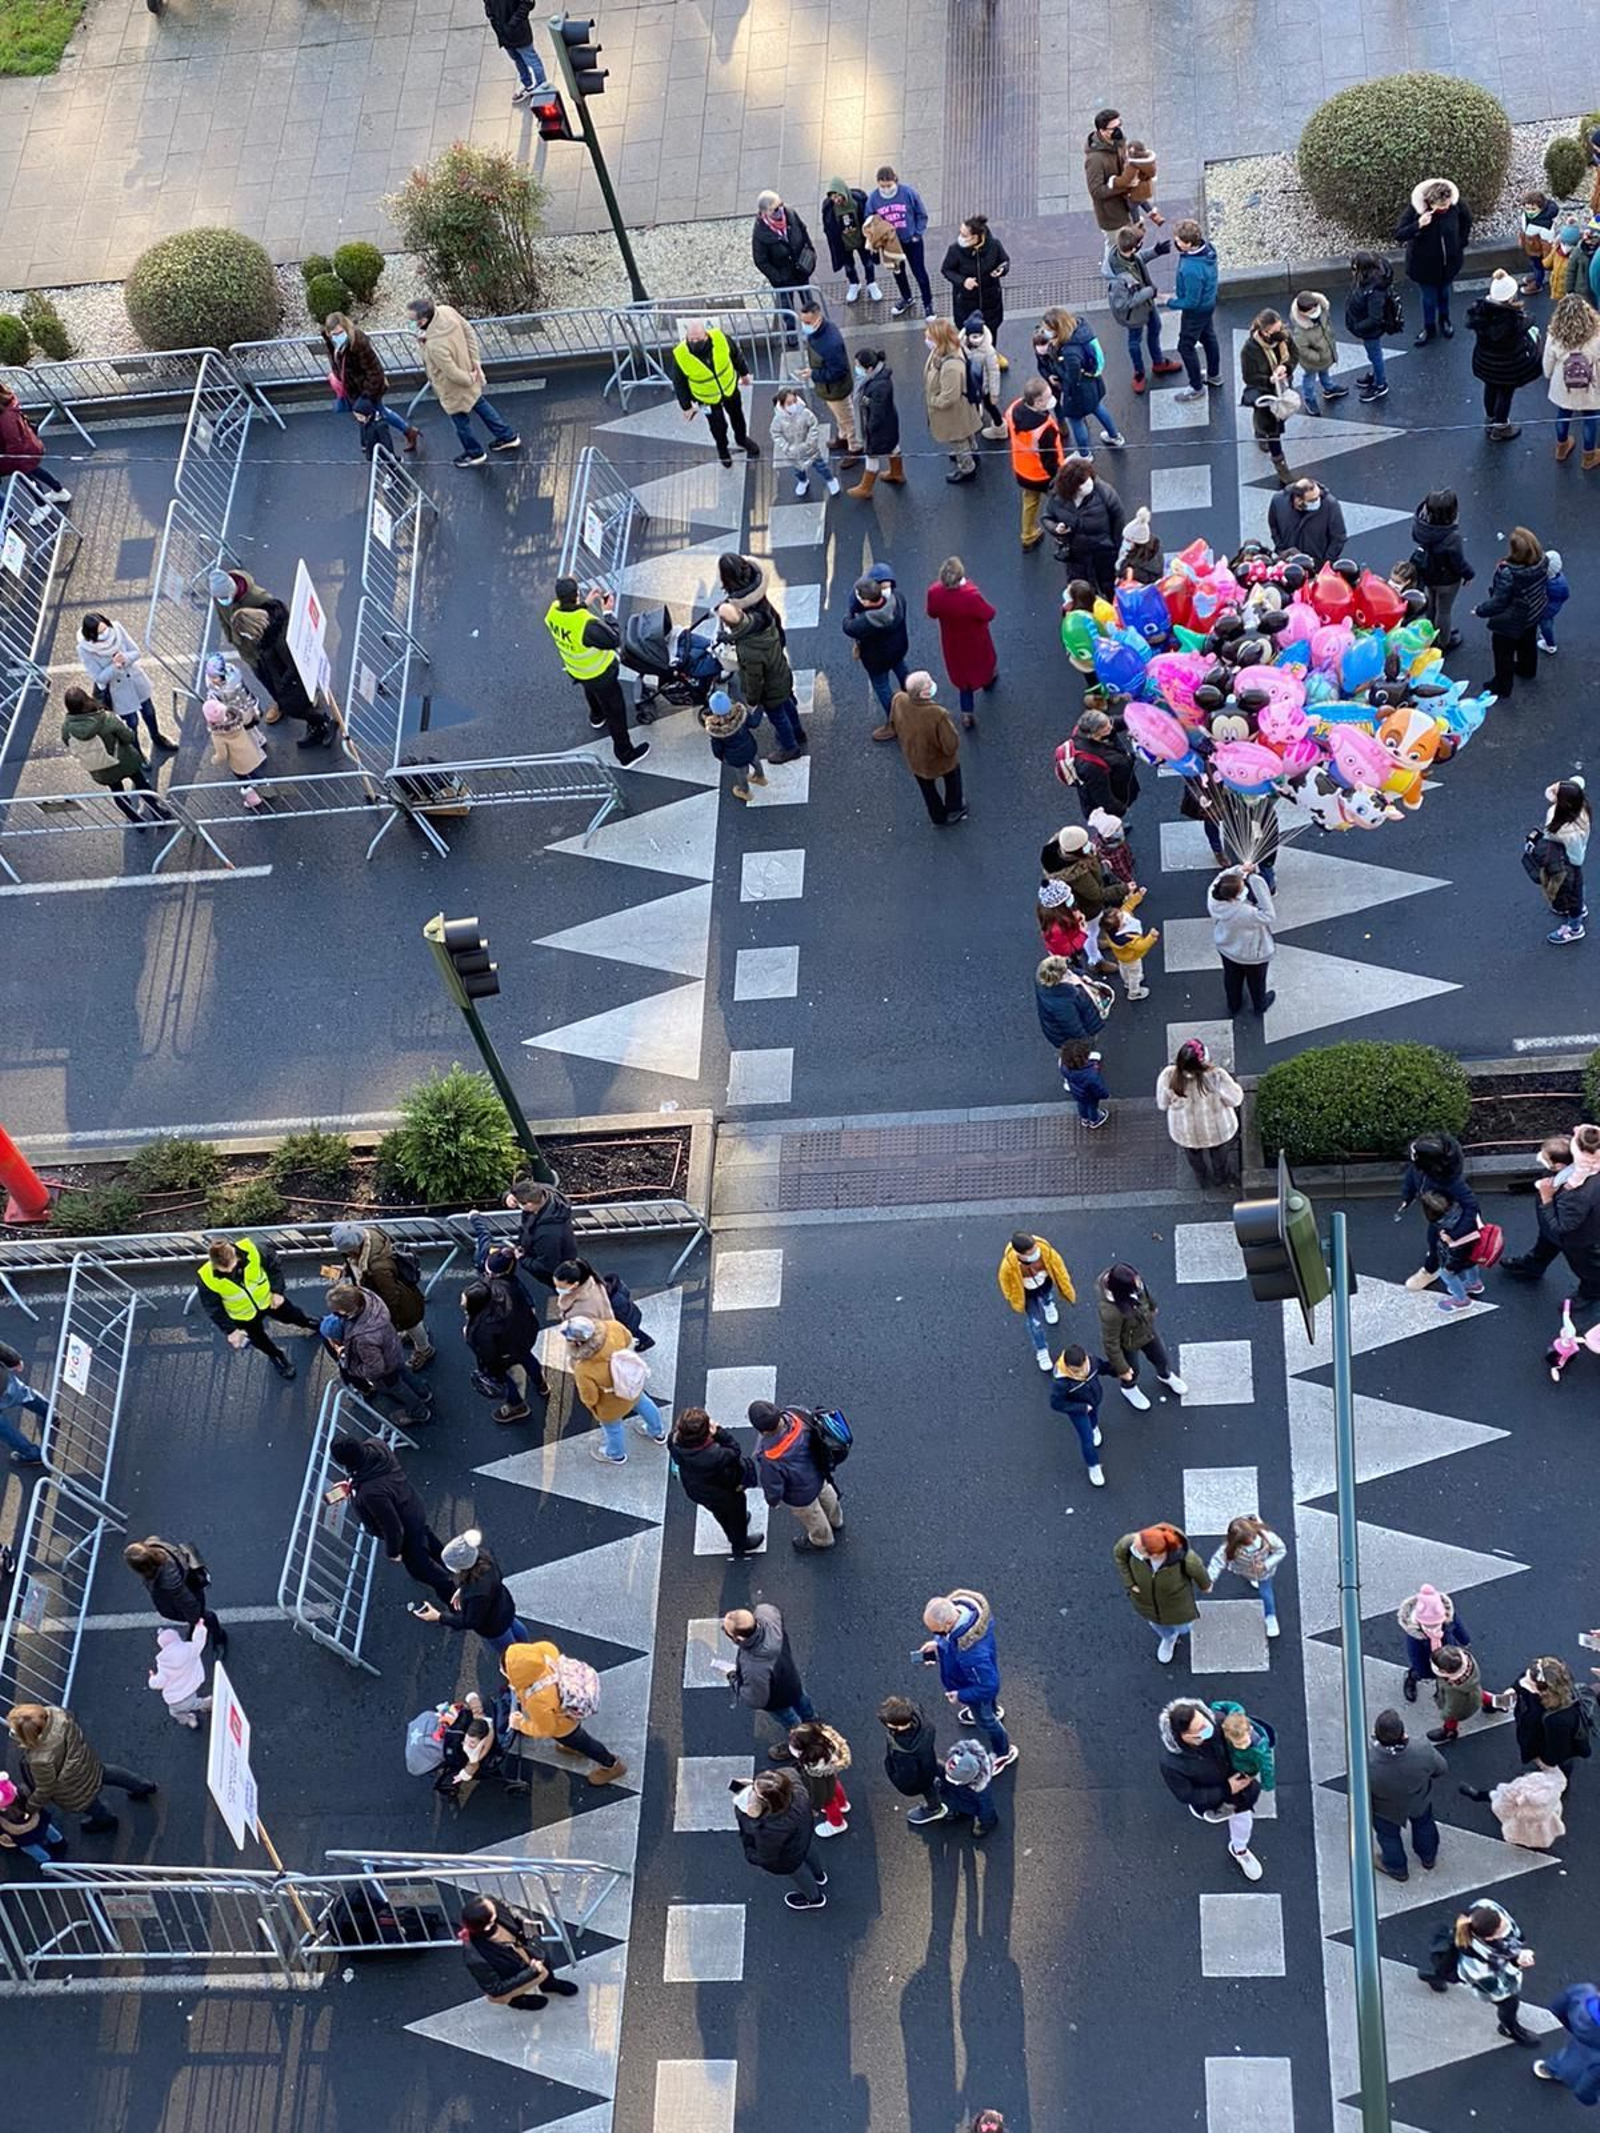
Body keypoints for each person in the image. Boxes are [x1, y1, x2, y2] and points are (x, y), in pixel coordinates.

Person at [209, 569, 337, 746]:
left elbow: (290, 665)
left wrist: (283, 687)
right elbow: (224, 619)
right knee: (276, 691)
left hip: (281, 674)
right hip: (261, 659)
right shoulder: (261, 637)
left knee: (295, 706)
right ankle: (302, 715)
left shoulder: (259, 606)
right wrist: (233, 637)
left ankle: (321, 721)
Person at [328, 1433, 453, 1600]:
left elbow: (392, 1526)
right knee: (429, 1540)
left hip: (407, 1532)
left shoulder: (370, 1494)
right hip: (412, 1506)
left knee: (422, 1570)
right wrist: (354, 1483)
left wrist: (393, 1551)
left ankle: (455, 1597)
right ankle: (454, 1565)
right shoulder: (376, 1445)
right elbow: (374, 1476)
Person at [5, 1703, 157, 1836]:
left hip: (71, 1787)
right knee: (108, 1773)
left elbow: (46, 1788)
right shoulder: (57, 1715)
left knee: (88, 1802)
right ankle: (142, 1785)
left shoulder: (39, 1759)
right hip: (86, 1761)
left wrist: (31, 1807)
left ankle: (105, 1820)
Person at [1158, 1697, 1264, 1879]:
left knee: (1243, 1820)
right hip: (1212, 1800)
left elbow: (1251, 1737)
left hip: (1240, 1790)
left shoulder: (1219, 1722)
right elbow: (1187, 1795)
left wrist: (1250, 1744)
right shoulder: (1172, 1764)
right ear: (1185, 1737)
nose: (1209, 1727)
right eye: (1201, 1729)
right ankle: (1229, 1828)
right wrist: (1227, 1789)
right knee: (1234, 1815)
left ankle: (1239, 1850)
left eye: (1206, 1721)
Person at [406, 296, 519, 467]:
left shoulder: (434, 345)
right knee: (481, 405)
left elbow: (450, 372)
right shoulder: (447, 311)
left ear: (423, 321)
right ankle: (507, 436)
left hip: (453, 389)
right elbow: (468, 332)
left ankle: (475, 453)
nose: (410, 324)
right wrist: (475, 365)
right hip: (468, 371)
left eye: (412, 320)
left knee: (461, 423)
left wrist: (467, 379)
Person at [1461, 1657, 1593, 1797]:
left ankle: (1561, 1785)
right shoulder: (1540, 1679)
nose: (1523, 1682)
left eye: (1528, 1682)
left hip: (1547, 1746)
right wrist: (1511, 1691)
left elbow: (1557, 1750)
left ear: (1543, 1690)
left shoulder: (1559, 1719)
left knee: (1562, 1765)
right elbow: (1521, 1681)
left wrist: (1544, 1762)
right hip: (1536, 1734)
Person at [502, 1638, 626, 1783]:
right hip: (570, 1708)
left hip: (564, 1727)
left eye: (508, 1673)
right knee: (579, 1740)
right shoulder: (545, 1654)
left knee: (586, 1744)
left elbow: (547, 1729)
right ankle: (574, 1748)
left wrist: (521, 1724)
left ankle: (612, 1765)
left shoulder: (537, 1700)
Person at [918, 1589, 1018, 1769]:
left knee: (985, 1721)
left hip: (972, 1687)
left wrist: (960, 1695)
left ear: (949, 1622)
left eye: (938, 1632)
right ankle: (992, 1710)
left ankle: (1003, 1752)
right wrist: (938, 1645)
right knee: (987, 1706)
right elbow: (950, 1641)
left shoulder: (972, 1655)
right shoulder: (966, 1621)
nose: (937, 1635)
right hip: (974, 1678)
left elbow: (988, 1687)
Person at [194, 1234, 316, 1380]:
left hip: (269, 1300)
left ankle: (307, 1322)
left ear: (235, 1253)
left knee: (293, 1315)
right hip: (243, 1316)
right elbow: (213, 1308)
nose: (229, 1271)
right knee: (260, 1340)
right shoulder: (206, 1277)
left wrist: (277, 1291)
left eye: (231, 1266)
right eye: (223, 1270)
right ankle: (276, 1356)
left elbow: (273, 1267)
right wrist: (231, 1330)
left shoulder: (254, 1250)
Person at [1421, 1901, 1541, 2045]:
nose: (1507, 1926)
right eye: (1502, 1931)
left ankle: (1435, 1975)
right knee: (1508, 2004)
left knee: (1446, 1970)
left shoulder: (1486, 1910)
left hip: (1466, 1961)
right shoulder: (1478, 1968)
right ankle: (1510, 2029)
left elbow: (1507, 1942)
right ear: (1489, 1938)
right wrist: (1516, 1964)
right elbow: (1500, 1990)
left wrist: (1515, 1954)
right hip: (1472, 1972)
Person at [560, 1315, 665, 1465]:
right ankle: (657, 1432)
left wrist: (593, 1408)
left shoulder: (583, 1368)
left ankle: (616, 1455)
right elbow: (629, 1339)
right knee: (645, 1404)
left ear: (577, 1342)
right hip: (631, 1385)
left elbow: (590, 1397)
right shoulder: (613, 1326)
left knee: (613, 1429)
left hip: (610, 1403)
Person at [322, 1283, 433, 1422]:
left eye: (337, 1312)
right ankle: (424, 1393)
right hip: (393, 1347)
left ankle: (418, 1412)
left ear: (346, 1311)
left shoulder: (363, 1338)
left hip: (386, 1369)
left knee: (397, 1388)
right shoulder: (369, 1298)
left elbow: (375, 1369)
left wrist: (353, 1367)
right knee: (404, 1372)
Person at [716, 591, 807, 761]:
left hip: (770, 689)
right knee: (788, 705)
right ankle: (798, 732)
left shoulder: (747, 650)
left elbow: (755, 680)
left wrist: (752, 700)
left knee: (778, 718)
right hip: (781, 674)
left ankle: (790, 748)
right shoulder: (762, 622)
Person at [328, 1222, 432, 1368]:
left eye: (347, 1251)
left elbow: (391, 1296)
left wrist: (386, 1316)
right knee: (412, 1324)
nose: (346, 1255)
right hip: (404, 1294)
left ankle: (424, 1349)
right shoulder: (369, 1235)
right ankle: (418, 1339)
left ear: (354, 1248)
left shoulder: (377, 1268)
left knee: (411, 1323)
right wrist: (346, 1269)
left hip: (401, 1304)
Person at [410, 1530, 532, 1654]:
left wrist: (439, 1617)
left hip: (495, 1625)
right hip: (505, 1606)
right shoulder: (485, 1557)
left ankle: (521, 1661)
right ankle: (529, 1649)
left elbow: (470, 1621)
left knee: (511, 1652)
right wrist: (463, 1589)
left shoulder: (477, 1594)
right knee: (516, 1627)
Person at [58, 688, 166, 823]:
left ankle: (136, 820)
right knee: (142, 785)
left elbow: (69, 744)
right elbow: (129, 737)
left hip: (101, 768)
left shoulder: (67, 729)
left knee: (117, 793)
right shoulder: (107, 718)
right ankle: (158, 814)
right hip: (125, 761)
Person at [456, 1891, 583, 2008]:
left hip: (526, 1947)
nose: (496, 1906)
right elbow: (496, 1989)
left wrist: (523, 1920)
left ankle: (548, 1984)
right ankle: (520, 2001)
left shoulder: (489, 1903)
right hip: (510, 1971)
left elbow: (507, 1907)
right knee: (515, 1991)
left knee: (544, 1960)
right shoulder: (475, 1957)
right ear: (488, 1925)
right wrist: (531, 1972)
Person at [748, 1398, 843, 1552]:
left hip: (799, 1493)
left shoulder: (770, 1456)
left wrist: (773, 1500)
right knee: (828, 1496)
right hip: (818, 1473)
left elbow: (773, 1484)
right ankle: (836, 1520)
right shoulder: (798, 1417)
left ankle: (822, 1540)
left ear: (762, 1430)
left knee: (813, 1515)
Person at [76, 612, 178, 753]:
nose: (105, 634)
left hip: (135, 680)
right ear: (91, 634)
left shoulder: (116, 628)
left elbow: (136, 652)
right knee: (131, 723)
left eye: (105, 629)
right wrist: (114, 667)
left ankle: (157, 738)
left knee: (149, 711)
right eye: (100, 632)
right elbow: (98, 677)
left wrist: (124, 658)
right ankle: (136, 752)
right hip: (118, 690)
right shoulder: (85, 649)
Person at [461, 1265, 548, 1425]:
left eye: (464, 1302)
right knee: (528, 1359)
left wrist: (468, 1337)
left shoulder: (482, 1328)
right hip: (522, 1340)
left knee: (505, 1379)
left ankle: (517, 1406)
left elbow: (487, 1353)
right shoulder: (506, 1291)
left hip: (503, 1354)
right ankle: (541, 1384)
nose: (462, 1304)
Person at [720, 1603, 818, 1742]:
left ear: (739, 1639)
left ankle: (803, 1740)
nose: (724, 1630)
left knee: (790, 1720)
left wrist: (733, 1679)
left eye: (727, 1631)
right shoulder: (767, 1614)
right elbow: (772, 1610)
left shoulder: (754, 1667)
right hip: (791, 1679)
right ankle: (814, 1722)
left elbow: (756, 1699)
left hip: (777, 1699)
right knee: (802, 1700)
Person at [670, 316, 761, 466]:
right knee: (718, 426)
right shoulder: (681, 354)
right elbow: (679, 383)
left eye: (697, 339)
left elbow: (736, 356)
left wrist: (744, 373)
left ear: (705, 335)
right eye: (691, 339)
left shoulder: (720, 338)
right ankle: (723, 450)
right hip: (706, 398)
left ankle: (741, 439)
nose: (694, 342)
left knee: (737, 416)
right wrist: (686, 406)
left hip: (729, 389)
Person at [734, 1766, 828, 1910]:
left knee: (798, 1872)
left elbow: (766, 1856)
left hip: (787, 1856)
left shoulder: (767, 1827)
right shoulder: (797, 1790)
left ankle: (814, 1898)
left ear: (766, 1802)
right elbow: (788, 1773)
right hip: (803, 1835)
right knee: (809, 1851)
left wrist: (751, 1855)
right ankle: (819, 1875)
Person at [1369, 1704, 1446, 1881]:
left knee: (1389, 1837)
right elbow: (1442, 1768)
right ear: (1402, 1733)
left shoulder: (1368, 1762)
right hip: (1418, 1800)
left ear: (1376, 1734)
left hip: (1385, 1809)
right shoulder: (1422, 1749)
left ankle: (1397, 1869)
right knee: (1424, 1825)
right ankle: (1428, 1858)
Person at [322, 311, 418, 453]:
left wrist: (367, 395)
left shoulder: (358, 344)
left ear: (346, 328)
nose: (337, 337)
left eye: (340, 333)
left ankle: (392, 438)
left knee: (376, 412)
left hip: (367, 388)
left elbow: (374, 371)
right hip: (355, 388)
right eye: (334, 334)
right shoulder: (334, 344)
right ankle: (396, 435)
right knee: (371, 413)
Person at [670, 1404, 757, 1559]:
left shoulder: (674, 1440)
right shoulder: (714, 1455)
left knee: (719, 1513)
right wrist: (719, 1432)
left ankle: (734, 1531)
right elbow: (734, 1450)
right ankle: (740, 1544)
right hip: (723, 1491)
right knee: (735, 1513)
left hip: (697, 1488)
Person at [1036, 310, 1127, 459]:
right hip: (1093, 383)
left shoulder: (1069, 352)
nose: (1044, 332)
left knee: (1076, 420)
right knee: (1097, 408)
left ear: (1058, 328)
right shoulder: (1080, 329)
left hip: (1078, 391)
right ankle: (1115, 436)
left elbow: (1072, 378)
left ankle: (1085, 454)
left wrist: (1057, 369)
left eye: (1047, 329)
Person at [1115, 1523, 1211, 1663]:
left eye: (1139, 1551)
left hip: (1176, 1605)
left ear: (1155, 1555)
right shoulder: (1131, 1543)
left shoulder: (1185, 1559)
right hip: (1146, 1603)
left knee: (1184, 1628)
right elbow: (1119, 1556)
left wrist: (1205, 1585)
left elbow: (1199, 1573)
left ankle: (1175, 1633)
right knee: (1157, 1625)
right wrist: (1130, 1583)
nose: (1134, 1549)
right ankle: (1169, 1639)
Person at [1467, 269, 1544, 441]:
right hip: (1508, 366)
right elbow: (1529, 321)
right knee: (1505, 394)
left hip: (1485, 362)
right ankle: (1501, 427)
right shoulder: (1514, 321)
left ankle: (1490, 418)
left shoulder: (1481, 314)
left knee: (1490, 387)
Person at [1096, 1262, 1187, 1407]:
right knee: (1133, 1371)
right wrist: (1123, 1369)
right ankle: (1129, 1388)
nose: (1139, 1283)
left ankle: (1165, 1375)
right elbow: (1110, 1342)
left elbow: (1146, 1293)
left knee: (1161, 1358)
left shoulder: (1131, 1280)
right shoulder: (1111, 1312)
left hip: (1146, 1330)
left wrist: (1152, 1306)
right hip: (1128, 1343)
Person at [123, 1534, 228, 1659]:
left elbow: (186, 1600)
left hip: (190, 1592)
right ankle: (200, 1626)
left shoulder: (169, 1579)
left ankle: (219, 1637)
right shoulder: (153, 1546)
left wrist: (194, 1618)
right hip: (189, 1586)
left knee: (203, 1615)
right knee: (196, 1615)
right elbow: (155, 1538)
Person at [1156, 1038, 1243, 1186]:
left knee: (1194, 1156)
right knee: (1219, 1156)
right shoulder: (1216, 1076)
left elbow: (1162, 1104)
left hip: (1186, 1132)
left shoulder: (1168, 1076)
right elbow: (1236, 1100)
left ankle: (1201, 1178)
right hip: (1217, 1130)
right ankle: (1221, 1178)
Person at [1395, 177, 1472, 344]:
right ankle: (1429, 327)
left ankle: (1444, 320)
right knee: (1429, 299)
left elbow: (1467, 220)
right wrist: (1418, 225)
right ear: (1430, 202)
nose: (1445, 209)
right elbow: (1399, 234)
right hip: (1424, 267)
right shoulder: (1415, 211)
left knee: (1444, 294)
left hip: (1448, 264)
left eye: (1447, 205)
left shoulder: (1456, 205)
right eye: (1441, 206)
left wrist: (1460, 243)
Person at [1474, 525, 1548, 700]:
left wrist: (1480, 610)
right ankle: (1527, 669)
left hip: (1510, 621)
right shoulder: (1543, 561)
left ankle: (1502, 686)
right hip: (1533, 611)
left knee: (1503, 654)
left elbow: (1499, 602)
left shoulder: (1508, 573)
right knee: (1528, 643)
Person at [926, 557, 998, 731]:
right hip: (975, 640)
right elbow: (989, 614)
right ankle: (988, 682)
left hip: (952, 642)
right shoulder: (970, 596)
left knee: (963, 677)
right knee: (984, 664)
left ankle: (967, 714)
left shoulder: (934, 592)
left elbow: (932, 613)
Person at [1103, 223, 1177, 392]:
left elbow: (1138, 259)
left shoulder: (1123, 254)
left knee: (1155, 328)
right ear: (1134, 247)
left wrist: (1155, 252)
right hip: (1133, 314)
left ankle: (1158, 362)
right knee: (1134, 341)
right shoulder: (1118, 281)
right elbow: (1123, 304)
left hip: (1147, 305)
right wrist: (1149, 292)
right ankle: (1139, 372)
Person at [887, 671, 965, 826]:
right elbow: (950, 744)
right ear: (924, 693)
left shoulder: (899, 699)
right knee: (952, 777)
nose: (932, 683)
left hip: (915, 758)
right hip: (938, 759)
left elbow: (893, 722)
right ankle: (954, 807)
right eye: (929, 683)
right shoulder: (937, 714)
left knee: (927, 788)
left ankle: (937, 816)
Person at [1043, 455, 1126, 599]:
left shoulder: (1104, 493)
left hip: (1104, 552)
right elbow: (1047, 517)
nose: (1089, 484)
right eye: (1082, 483)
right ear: (1071, 486)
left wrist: (1115, 545)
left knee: (1109, 585)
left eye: (1088, 479)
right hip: (1076, 555)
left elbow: (1118, 520)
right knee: (1081, 590)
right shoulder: (1057, 497)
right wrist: (1056, 528)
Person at [1162, 216, 1222, 404]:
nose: (1176, 243)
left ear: (1188, 244)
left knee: (1185, 346)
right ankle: (1214, 375)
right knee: (1208, 338)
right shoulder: (1208, 249)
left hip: (1196, 312)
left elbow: (1191, 302)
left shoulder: (1191, 269)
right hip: (1208, 303)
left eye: (1178, 241)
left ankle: (1196, 386)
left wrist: (1170, 301)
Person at [997, 1230, 1076, 1370]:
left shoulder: (1045, 1251)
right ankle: (1042, 1350)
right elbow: (1004, 1282)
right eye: (1031, 1253)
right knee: (1035, 1323)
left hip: (1044, 1283)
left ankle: (1048, 1305)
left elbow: (1059, 1267)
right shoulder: (1008, 1266)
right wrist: (1011, 1296)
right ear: (1019, 1254)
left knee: (1047, 1296)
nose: (1036, 1253)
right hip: (1026, 1293)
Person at [844, 568, 911, 727]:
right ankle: (914, 698)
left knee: (882, 686)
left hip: (877, 660)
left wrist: (849, 614)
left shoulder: (862, 623)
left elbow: (846, 625)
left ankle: (895, 721)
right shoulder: (898, 599)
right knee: (902, 671)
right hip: (898, 648)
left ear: (866, 602)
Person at [866, 164, 934, 317]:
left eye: (888, 185)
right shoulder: (873, 199)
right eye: (882, 186)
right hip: (891, 244)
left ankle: (928, 303)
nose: (886, 189)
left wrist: (917, 234)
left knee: (920, 273)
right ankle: (906, 298)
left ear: (895, 180)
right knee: (898, 272)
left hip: (911, 241)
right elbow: (869, 219)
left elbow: (921, 214)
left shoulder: (908, 193)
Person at [1528, 777, 1590, 947]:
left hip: (1567, 860)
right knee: (1573, 889)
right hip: (1566, 856)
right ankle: (1576, 909)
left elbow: (1576, 856)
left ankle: (1575, 927)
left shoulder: (1569, 831)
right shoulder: (1578, 806)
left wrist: (1570, 864)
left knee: (1572, 890)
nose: (1552, 793)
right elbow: (1578, 781)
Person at [1208, 864, 1276, 1016]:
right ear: (1234, 897)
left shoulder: (1214, 899)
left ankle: (1234, 1005)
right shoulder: (1247, 913)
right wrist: (1255, 880)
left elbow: (1220, 877)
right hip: (1252, 955)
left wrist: (1239, 870)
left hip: (1227, 948)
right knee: (1257, 982)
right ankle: (1260, 1005)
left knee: (1231, 978)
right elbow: (1269, 915)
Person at [1409, 490, 1473, 651]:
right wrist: (1469, 574)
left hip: (1428, 574)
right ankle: (1444, 642)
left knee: (1432, 604)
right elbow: (1458, 562)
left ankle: (1430, 633)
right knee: (1444, 610)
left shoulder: (1420, 528)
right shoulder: (1452, 537)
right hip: (1447, 580)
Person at [1004, 376, 1063, 551]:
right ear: (1037, 403)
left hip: (1022, 470)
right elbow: (1050, 461)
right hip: (1043, 476)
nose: (1051, 399)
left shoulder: (1013, 409)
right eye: (1047, 397)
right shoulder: (1045, 428)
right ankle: (1062, 536)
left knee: (1030, 502)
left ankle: (1028, 535)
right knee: (1061, 505)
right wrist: (1059, 477)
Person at [0, 380, 72, 520]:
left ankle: (42, 506)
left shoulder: (4, 418)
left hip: (17, 455)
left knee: (27, 478)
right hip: (27, 447)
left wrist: (7, 460)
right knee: (34, 470)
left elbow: (13, 443)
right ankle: (58, 491)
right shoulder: (8, 403)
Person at [1239, 309, 1297, 486]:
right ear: (1264, 332)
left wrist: (1286, 367)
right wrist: (1269, 379)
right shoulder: (1249, 350)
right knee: (1273, 429)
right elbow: (1249, 377)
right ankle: (1281, 468)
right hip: (1265, 391)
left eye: (1281, 327)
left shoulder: (1284, 337)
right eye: (1275, 330)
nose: (1280, 332)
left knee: (1274, 419)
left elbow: (1294, 355)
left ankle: (1260, 431)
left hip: (1282, 386)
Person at [1542, 292, 1600, 466]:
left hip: (1564, 385)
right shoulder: (1597, 334)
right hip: (1590, 386)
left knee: (1563, 413)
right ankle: (1589, 456)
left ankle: (1562, 447)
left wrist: (1548, 375)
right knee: (1591, 417)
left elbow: (1547, 363)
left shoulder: (1554, 335)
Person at [795, 298, 857, 456]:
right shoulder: (820, 332)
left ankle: (854, 447)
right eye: (802, 321)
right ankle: (843, 437)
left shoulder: (830, 343)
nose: (804, 325)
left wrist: (813, 374)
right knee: (841, 416)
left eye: (807, 322)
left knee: (847, 419)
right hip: (829, 388)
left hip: (836, 389)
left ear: (818, 318)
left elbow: (837, 371)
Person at [1207, 1516, 1286, 1638]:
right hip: (1244, 1571)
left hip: (1264, 1573)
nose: (1254, 1543)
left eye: (1254, 1537)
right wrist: (1210, 1579)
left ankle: (1270, 1615)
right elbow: (1217, 1561)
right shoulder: (1230, 1548)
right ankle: (1252, 1579)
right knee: (1253, 1579)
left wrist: (1266, 1565)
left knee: (1266, 1593)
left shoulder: (1267, 1537)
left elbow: (1281, 1550)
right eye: (1248, 1543)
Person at [923, 316, 981, 484]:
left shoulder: (951, 366)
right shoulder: (946, 350)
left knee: (958, 438)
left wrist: (933, 401)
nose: (927, 341)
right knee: (965, 431)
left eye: (929, 338)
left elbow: (949, 396)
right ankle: (973, 452)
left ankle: (967, 468)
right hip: (961, 407)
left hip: (953, 411)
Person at [941, 215, 1010, 342]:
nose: (960, 237)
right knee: (968, 340)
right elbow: (947, 270)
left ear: (975, 237)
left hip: (990, 303)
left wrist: (1002, 269)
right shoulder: (955, 250)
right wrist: (963, 281)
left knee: (990, 337)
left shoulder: (994, 246)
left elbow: (1004, 261)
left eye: (964, 235)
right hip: (966, 304)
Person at [846, 346, 904, 498]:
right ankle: (897, 473)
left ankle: (865, 488)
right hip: (889, 424)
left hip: (879, 428)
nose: (856, 368)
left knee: (871, 455)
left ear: (869, 368)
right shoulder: (877, 378)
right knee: (892, 446)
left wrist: (869, 430)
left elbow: (876, 413)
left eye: (858, 365)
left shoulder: (878, 386)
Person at [1398, 1582, 1471, 1701]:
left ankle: (1440, 1689)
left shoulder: (1447, 1616)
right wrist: (1424, 1672)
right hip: (1426, 1657)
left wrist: (1464, 1640)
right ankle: (1411, 1677)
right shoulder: (1415, 1635)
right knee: (1419, 1672)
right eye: (1429, 1626)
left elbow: (1458, 1626)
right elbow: (1415, 1655)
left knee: (1445, 1674)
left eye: (1437, 1624)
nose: (1434, 1629)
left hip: (1446, 1652)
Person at [879, 1695, 944, 1826]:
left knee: (927, 1787)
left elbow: (906, 1777)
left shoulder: (903, 1751)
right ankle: (945, 1781)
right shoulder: (922, 1722)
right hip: (928, 1759)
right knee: (934, 1770)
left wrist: (891, 1771)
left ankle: (934, 1808)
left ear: (896, 1726)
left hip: (921, 1775)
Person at [1066, 705, 1140, 820]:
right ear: (1094, 734)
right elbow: (1103, 797)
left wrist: (1136, 719)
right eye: (1106, 728)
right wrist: (1121, 809)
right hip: (1111, 798)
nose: (1111, 726)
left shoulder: (1088, 731)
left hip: (1119, 784)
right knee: (1111, 823)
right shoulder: (1090, 765)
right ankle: (1112, 830)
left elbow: (1115, 722)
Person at [1344, 249, 1399, 402]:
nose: (1353, 270)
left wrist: (1358, 327)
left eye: (1355, 267)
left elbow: (1375, 318)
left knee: (1375, 356)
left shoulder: (1375, 291)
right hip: (1365, 328)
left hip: (1370, 331)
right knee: (1374, 355)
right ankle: (1376, 375)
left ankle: (1380, 384)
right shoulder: (1369, 281)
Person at [504, 1176, 578, 1290]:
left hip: (556, 1270)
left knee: (561, 1288)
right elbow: (525, 1188)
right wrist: (507, 1196)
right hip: (558, 1254)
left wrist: (523, 1259)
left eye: (518, 1203)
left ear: (529, 1205)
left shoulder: (548, 1234)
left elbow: (545, 1266)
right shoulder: (545, 1191)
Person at [1050, 1344, 1109, 1486]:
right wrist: (1081, 1408)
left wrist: (1121, 1370)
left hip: (1093, 1401)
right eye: (1076, 1371)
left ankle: (1094, 1427)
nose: (1082, 1373)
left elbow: (1104, 1368)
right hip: (1078, 1410)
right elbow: (1056, 1404)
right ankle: (1093, 1465)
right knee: (1087, 1439)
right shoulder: (1061, 1383)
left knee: (1094, 1417)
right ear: (1067, 1366)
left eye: (1083, 1367)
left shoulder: (1092, 1361)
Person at [1419, 1189, 1487, 1311]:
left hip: (1455, 1255)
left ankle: (1461, 1299)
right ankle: (1474, 1283)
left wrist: (1431, 1262)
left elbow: (1434, 1247)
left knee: (1447, 1275)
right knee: (1471, 1264)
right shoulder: (1467, 1211)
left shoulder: (1439, 1227)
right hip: (1472, 1247)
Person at [769, 385, 839, 500]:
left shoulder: (805, 413)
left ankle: (830, 480)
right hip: (793, 452)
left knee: (820, 466)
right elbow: (776, 434)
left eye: (794, 401)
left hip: (810, 448)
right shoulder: (778, 420)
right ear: (782, 405)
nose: (793, 405)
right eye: (789, 403)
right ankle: (803, 481)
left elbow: (814, 426)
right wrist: (786, 447)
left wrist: (810, 442)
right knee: (798, 470)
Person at [789, 1718, 852, 1839]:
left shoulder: (814, 1771)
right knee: (834, 1784)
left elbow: (818, 1795)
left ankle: (837, 1824)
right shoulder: (827, 1747)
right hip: (829, 1775)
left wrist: (815, 1806)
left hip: (821, 1782)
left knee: (828, 1802)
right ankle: (842, 1804)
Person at [702, 690, 767, 805]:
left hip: (735, 756)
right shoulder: (740, 714)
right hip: (749, 746)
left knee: (741, 773)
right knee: (755, 760)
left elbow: (717, 748)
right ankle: (760, 777)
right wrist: (760, 708)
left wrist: (721, 757)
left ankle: (745, 791)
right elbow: (754, 723)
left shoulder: (716, 729)